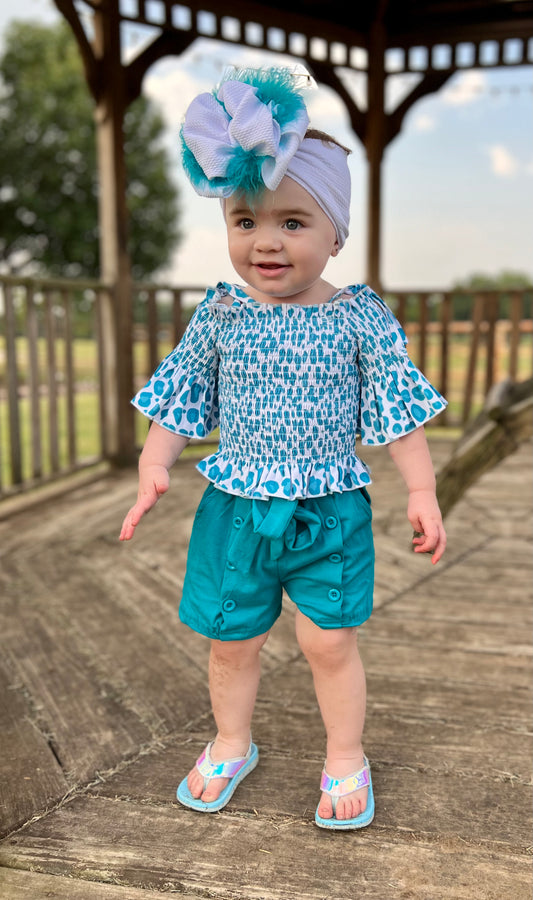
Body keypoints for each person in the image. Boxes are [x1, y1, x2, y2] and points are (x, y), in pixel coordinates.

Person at [119, 67, 447, 830]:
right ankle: (232, 741)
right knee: (231, 639)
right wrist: (153, 464)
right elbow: (182, 393)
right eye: (245, 221)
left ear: (335, 232)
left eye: (293, 223)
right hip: (235, 506)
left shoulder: (358, 317)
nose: (266, 241)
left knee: (326, 641)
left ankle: (343, 756)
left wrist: (422, 493)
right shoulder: (222, 311)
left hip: (326, 507)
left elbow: (397, 411)